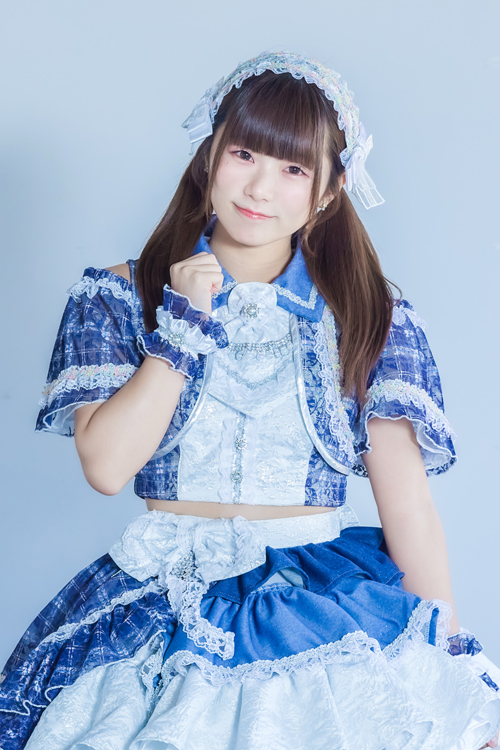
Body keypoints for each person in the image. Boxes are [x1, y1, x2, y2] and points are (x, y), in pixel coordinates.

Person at [0, 49, 499, 750]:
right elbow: (107, 467)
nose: (261, 187)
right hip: (158, 598)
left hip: (319, 605)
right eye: (244, 154)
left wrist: (448, 661)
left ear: (329, 189)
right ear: (210, 156)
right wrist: (182, 326)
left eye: (294, 169)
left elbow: (408, 504)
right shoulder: (117, 295)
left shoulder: (369, 314)